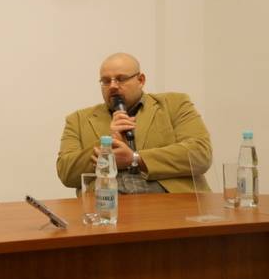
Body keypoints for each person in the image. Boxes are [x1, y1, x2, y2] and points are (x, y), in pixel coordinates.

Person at [57, 53, 212, 193]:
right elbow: (66, 173)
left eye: (121, 79)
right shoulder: (78, 120)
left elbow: (200, 154)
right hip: (108, 205)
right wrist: (107, 144)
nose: (113, 86)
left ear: (141, 80)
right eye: (106, 81)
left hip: (170, 203)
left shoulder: (175, 104)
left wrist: (135, 158)